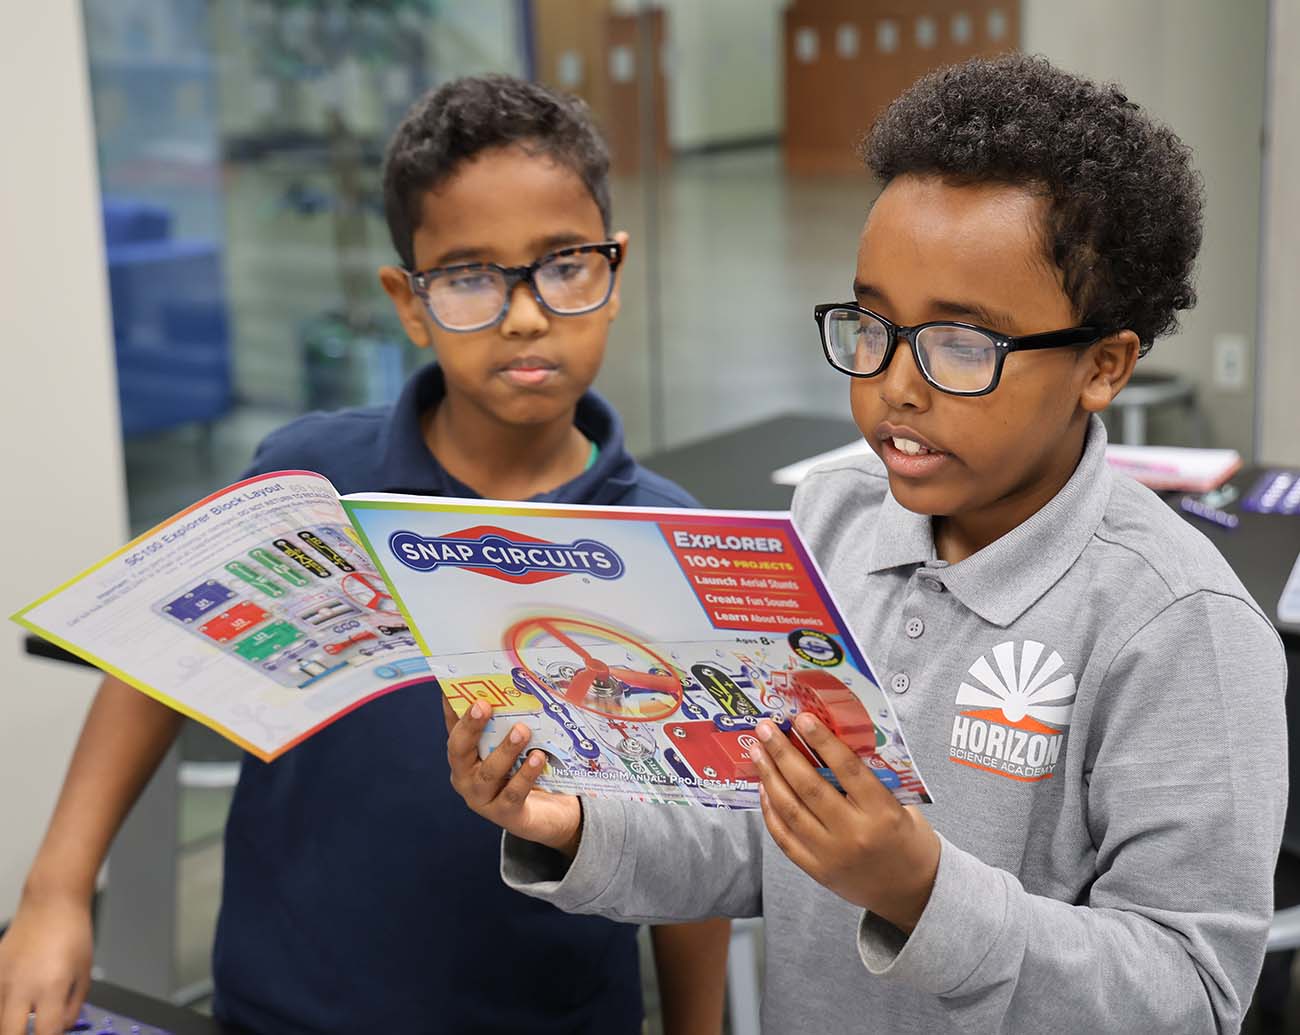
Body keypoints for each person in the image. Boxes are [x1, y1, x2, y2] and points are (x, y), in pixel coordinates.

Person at [446, 54, 1288, 1033]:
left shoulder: (1179, 628)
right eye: (872, 323)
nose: (895, 384)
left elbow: (1190, 994)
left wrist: (922, 893)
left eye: (962, 344)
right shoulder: (829, 522)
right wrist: (580, 826)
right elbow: (763, 836)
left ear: (1102, 365)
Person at [0, 75, 730, 1035]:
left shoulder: (667, 543)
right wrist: (56, 890)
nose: (522, 313)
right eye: (470, 275)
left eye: (564, 264)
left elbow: (700, 836)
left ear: (613, 269)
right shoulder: (307, 479)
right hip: (281, 1013)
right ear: (409, 300)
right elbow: (153, 664)